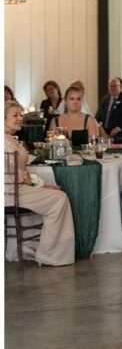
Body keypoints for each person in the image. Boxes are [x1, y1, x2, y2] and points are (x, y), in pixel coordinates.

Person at [4, 101, 75, 267]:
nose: (20, 118)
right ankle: (51, 254)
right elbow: (13, 176)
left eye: (20, 115)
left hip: (14, 190)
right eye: (15, 115)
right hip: (10, 193)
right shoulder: (5, 143)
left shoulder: (10, 140)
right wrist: (40, 186)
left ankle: (36, 249)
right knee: (60, 199)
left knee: (56, 195)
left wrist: (41, 185)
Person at [95, 77, 122, 143]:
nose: (113, 88)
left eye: (115, 86)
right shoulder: (104, 100)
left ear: (121, 87)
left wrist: (118, 128)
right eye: (111, 86)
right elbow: (97, 118)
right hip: (105, 134)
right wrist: (102, 132)